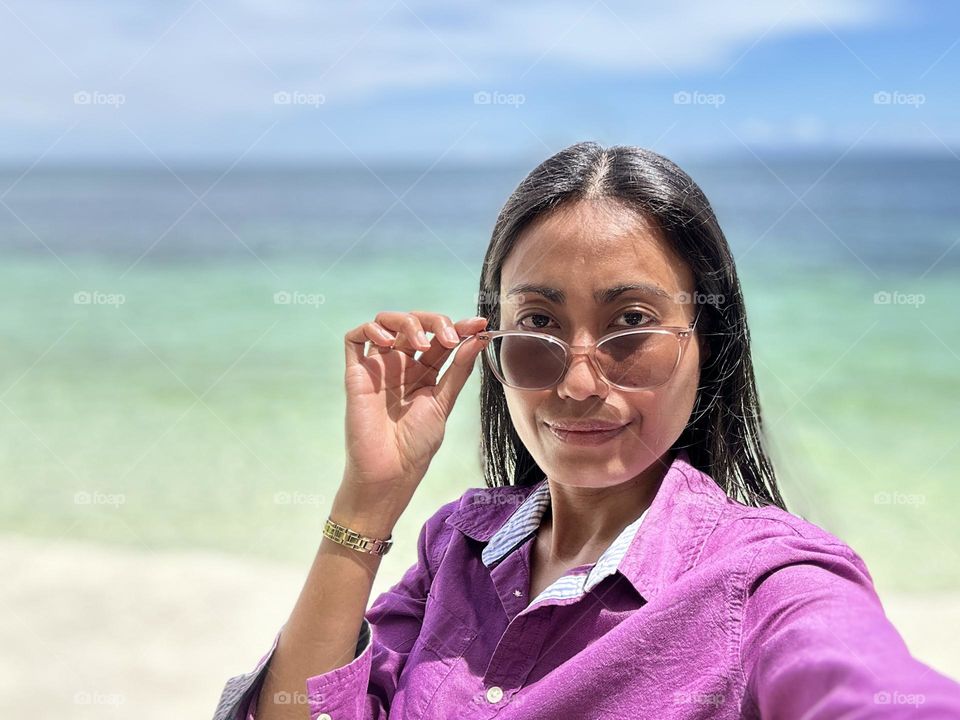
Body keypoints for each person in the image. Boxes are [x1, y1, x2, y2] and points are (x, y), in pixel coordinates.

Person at [212, 142, 960, 719]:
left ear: (709, 341)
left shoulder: (762, 580)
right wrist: (368, 501)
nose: (575, 383)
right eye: (537, 324)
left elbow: (861, 682)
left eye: (630, 324)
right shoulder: (458, 548)